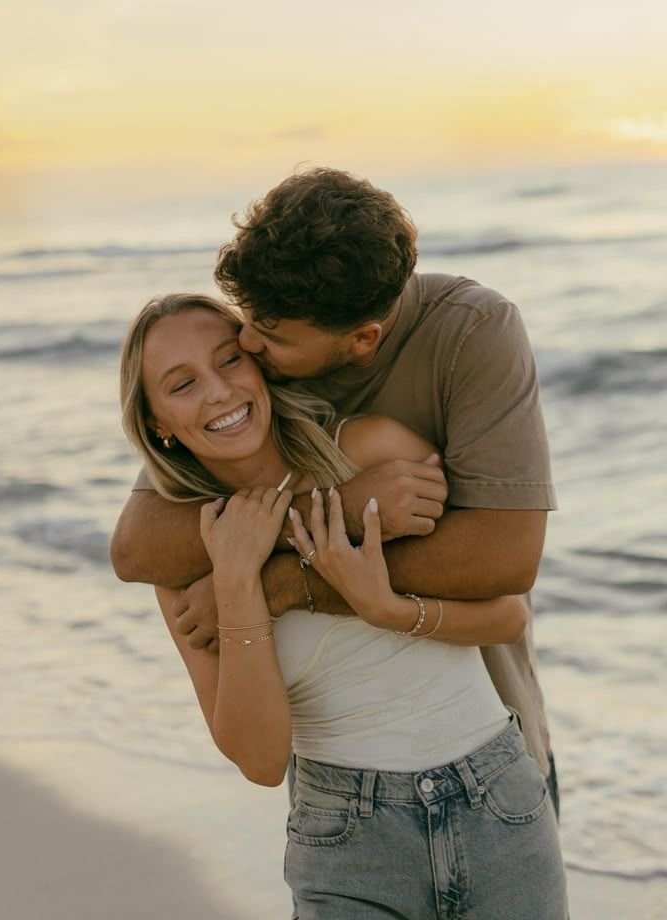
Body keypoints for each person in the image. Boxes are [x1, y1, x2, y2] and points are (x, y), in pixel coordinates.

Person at [110, 167, 561, 814]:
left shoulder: (470, 334)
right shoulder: (249, 376)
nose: (244, 344)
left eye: (267, 336)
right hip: (341, 784)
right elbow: (139, 549)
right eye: (248, 319)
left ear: (361, 341)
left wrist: (278, 583)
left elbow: (505, 563)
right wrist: (339, 510)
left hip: (492, 751)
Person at [118, 292, 568, 918]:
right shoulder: (188, 562)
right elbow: (260, 759)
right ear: (159, 422)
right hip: (345, 833)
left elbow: (508, 613)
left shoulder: (372, 451)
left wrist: (384, 607)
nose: (219, 392)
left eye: (229, 361)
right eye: (183, 384)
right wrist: (238, 583)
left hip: (494, 798)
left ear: (259, 362)